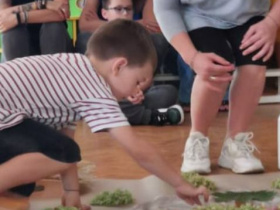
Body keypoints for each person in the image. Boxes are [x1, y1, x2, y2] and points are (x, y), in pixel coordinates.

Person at [0, 19, 209, 207]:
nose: (135, 93)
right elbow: (137, 149)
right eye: (137, 82)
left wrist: (71, 191)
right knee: (60, 153)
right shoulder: (94, 87)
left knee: (35, 171)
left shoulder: (74, 68)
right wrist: (180, 184)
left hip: (6, 122)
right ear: (119, 66)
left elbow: (63, 143)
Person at [154, 0, 279, 174]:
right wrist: (193, 57)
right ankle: (197, 138)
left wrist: (273, 22)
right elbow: (165, 8)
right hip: (197, 14)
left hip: (250, 13)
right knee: (216, 67)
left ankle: (235, 143)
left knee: (254, 65)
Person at [77, 0, 184, 126]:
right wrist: (130, 25)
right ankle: (148, 116)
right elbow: (84, 25)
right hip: (101, 92)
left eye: (128, 9)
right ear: (104, 13)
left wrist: (136, 90)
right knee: (85, 38)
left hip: (135, 93)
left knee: (168, 93)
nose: (124, 13)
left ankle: (114, 111)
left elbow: (152, 27)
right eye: (118, 9)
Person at [0, 0, 73, 61]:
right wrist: (41, 4)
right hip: (20, 43)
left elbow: (62, 13)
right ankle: (17, 75)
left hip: (54, 41)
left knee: (53, 27)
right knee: (13, 33)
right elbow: (4, 16)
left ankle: (54, 73)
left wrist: (20, 17)